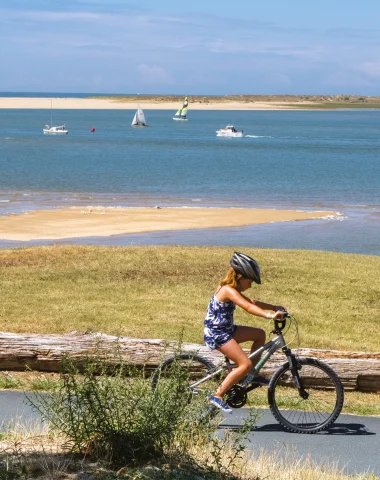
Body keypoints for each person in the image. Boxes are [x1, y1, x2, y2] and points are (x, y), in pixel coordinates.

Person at [204, 251, 285, 413]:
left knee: (260, 335)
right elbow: (248, 307)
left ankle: (251, 375)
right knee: (244, 363)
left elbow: (251, 301)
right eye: (250, 281)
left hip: (227, 330)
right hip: (217, 334)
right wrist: (270, 315)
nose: (251, 285)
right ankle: (218, 395)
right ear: (240, 276)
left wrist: (274, 307)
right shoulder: (227, 290)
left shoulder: (232, 290)